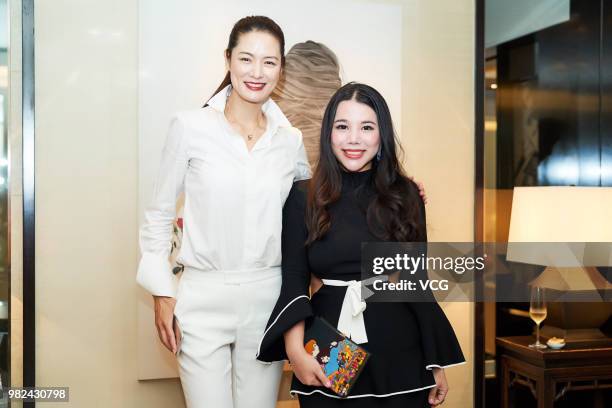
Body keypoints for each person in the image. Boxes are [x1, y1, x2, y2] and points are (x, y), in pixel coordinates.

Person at [136, 16, 311, 408]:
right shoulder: (190, 127)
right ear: (228, 59)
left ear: (281, 69)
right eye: (246, 59)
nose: (257, 72)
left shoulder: (290, 140)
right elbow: (158, 215)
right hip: (202, 296)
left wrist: (399, 186)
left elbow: (315, 207)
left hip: (267, 296)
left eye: (270, 62)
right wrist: (163, 295)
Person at [256, 83, 466, 407]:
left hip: (402, 354)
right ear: (329, 134)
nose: (353, 138)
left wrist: (435, 362)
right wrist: (295, 352)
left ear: (381, 135)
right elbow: (295, 279)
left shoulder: (407, 195)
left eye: (366, 127)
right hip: (330, 351)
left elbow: (415, 283)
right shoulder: (302, 197)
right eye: (343, 127)